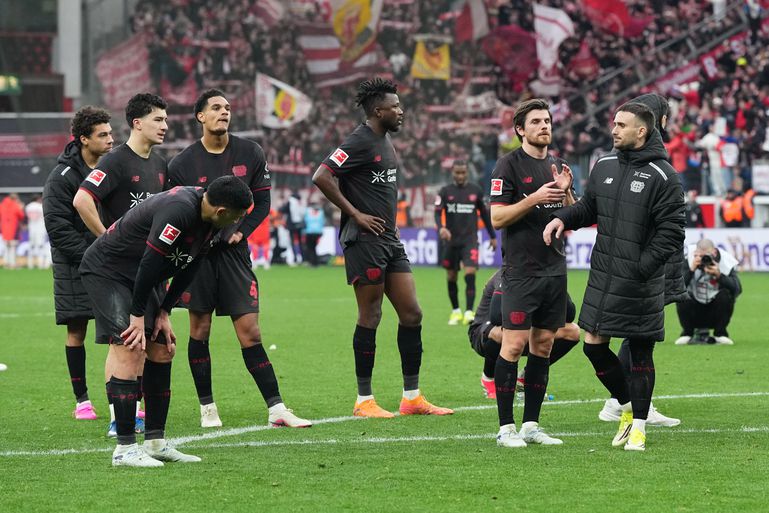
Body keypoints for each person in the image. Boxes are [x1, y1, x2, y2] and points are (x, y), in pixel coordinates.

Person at [80, 176, 252, 467]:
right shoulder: (179, 209)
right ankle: (124, 449)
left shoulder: (211, 220)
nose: (237, 222)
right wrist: (137, 315)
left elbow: (190, 266)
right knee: (131, 347)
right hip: (109, 272)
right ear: (222, 210)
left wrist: (164, 312)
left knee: (162, 350)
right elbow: (150, 261)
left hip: (142, 279)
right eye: (237, 216)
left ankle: (155, 443)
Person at [544, 101, 686, 451]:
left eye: (622, 125)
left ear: (642, 131)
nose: (614, 129)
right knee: (593, 346)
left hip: (641, 281)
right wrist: (563, 217)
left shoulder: (664, 175)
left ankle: (639, 427)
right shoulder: (604, 164)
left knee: (640, 353)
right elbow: (589, 208)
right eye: (614, 123)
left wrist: (641, 267)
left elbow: (672, 232)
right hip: (604, 276)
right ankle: (627, 407)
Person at [166, 89, 310, 429]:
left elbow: (262, 202)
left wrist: (241, 232)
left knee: (250, 332)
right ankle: (207, 409)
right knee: (200, 330)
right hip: (198, 258)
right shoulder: (182, 164)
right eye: (216, 107)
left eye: (228, 107)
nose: (224, 112)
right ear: (200, 116)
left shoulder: (250, 152)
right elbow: (175, 209)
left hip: (234, 257)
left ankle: (277, 408)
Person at [312, 77, 453, 418]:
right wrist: (356, 214)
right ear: (378, 111)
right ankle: (364, 400)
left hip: (389, 238)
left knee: (412, 313)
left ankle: (411, 398)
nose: (401, 111)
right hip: (365, 240)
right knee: (371, 314)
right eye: (395, 106)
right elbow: (322, 176)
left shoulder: (385, 139)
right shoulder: (358, 140)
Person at [74, 92, 170, 437]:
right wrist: (106, 238)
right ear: (137, 123)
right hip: (115, 271)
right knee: (124, 342)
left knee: (147, 345)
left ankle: (134, 410)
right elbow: (82, 199)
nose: (165, 125)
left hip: (147, 268)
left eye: (165, 119)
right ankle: (120, 419)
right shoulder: (115, 161)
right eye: (158, 119)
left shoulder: (161, 165)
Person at [488, 98, 575, 448]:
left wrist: (567, 195)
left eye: (547, 121)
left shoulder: (558, 165)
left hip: (555, 270)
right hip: (521, 271)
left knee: (543, 345)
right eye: (536, 121)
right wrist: (533, 198)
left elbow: (572, 219)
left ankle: (531, 426)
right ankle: (505, 428)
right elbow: (497, 218)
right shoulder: (507, 166)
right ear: (520, 130)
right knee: (513, 345)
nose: (544, 126)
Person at [596, 93, 682, 428]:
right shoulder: (649, 165)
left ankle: (627, 401)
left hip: (647, 262)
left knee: (636, 335)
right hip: (645, 265)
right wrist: (645, 265)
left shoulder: (651, 163)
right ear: (659, 121)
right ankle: (622, 401)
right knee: (637, 335)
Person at [43, 106, 113, 420]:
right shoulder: (61, 177)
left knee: (119, 331)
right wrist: (92, 256)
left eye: (111, 133)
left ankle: (122, 400)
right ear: (84, 139)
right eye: (103, 135)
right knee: (77, 331)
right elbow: (57, 227)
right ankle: (82, 401)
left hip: (111, 261)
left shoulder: (114, 168)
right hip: (75, 265)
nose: (111, 140)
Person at [468, 269, 579, 399]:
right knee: (504, 333)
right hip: (484, 330)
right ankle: (488, 377)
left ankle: (527, 376)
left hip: (524, 329)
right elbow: (497, 317)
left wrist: (557, 284)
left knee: (573, 331)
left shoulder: (547, 273)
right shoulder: (509, 272)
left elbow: (569, 315)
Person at [435, 160, 497, 326]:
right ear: (452, 173)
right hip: (451, 241)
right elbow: (437, 213)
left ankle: (469, 312)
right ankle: (456, 311)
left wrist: (492, 236)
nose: (460, 176)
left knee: (470, 272)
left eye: (463, 172)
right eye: (457, 172)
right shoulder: (445, 191)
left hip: (470, 240)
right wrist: (441, 228)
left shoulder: (475, 191)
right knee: (451, 276)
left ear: (467, 172)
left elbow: (484, 215)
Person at [675, 239, 741, 345]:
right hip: (694, 309)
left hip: (715, 311)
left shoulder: (725, 261)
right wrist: (691, 270)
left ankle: (720, 333)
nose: (703, 259)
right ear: (695, 253)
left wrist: (719, 276)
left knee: (725, 294)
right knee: (682, 295)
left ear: (714, 252)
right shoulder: (688, 259)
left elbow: (737, 289)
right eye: (700, 256)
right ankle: (687, 333)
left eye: (706, 256)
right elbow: (676, 289)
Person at [0, 193, 24, 269]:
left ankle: (6, 263)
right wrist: (21, 207)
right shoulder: (15, 205)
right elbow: (21, 216)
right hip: (13, 229)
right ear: (15, 199)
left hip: (4, 229)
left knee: (6, 247)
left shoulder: (2, 205)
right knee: (13, 247)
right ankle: (12, 263)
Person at [24, 195, 47, 269]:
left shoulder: (28, 207)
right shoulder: (40, 206)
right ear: (38, 199)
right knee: (41, 246)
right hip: (40, 229)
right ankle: (41, 264)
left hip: (31, 228)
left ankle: (30, 264)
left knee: (31, 247)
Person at [303, 202, 326, 267]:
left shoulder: (308, 211)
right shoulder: (321, 212)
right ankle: (315, 262)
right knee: (314, 247)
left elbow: (305, 220)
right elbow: (323, 222)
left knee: (310, 248)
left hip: (309, 232)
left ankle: (312, 262)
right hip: (318, 232)